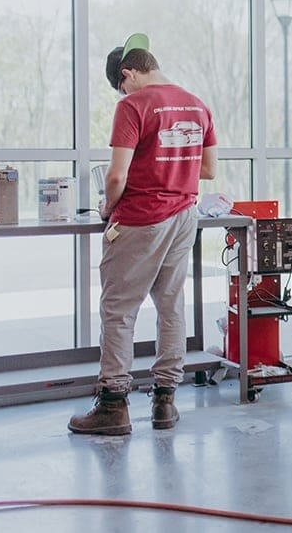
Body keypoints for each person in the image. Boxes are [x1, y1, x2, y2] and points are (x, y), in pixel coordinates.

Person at [68, 33, 217, 435]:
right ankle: (165, 402)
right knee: (171, 307)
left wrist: (108, 207)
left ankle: (113, 405)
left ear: (128, 73)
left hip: (142, 217)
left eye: (120, 85)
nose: (121, 92)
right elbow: (208, 171)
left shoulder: (133, 105)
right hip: (184, 216)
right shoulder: (198, 104)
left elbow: (116, 175)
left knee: (118, 310)